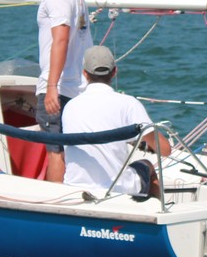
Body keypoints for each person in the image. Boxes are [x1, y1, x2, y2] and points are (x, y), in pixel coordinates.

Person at [60, 45, 171, 199]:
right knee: (147, 165)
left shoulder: (70, 106)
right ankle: (158, 209)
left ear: (85, 73)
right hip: (114, 189)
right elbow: (165, 150)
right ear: (114, 72)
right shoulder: (129, 104)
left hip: (75, 187)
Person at [34, 0, 94, 182]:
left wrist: (51, 86)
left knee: (55, 152)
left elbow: (60, 39)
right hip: (77, 87)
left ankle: (55, 200)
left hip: (58, 89)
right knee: (71, 150)